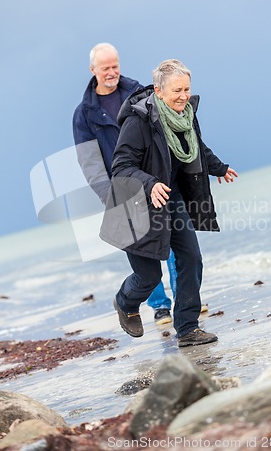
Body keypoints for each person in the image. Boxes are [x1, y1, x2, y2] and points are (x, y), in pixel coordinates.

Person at [100, 59, 238, 347]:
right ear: (159, 92)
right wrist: (149, 184)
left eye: (186, 89)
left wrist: (220, 167)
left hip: (170, 199)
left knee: (191, 258)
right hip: (135, 204)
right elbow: (121, 167)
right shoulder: (139, 121)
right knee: (148, 276)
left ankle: (187, 328)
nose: (183, 95)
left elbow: (196, 148)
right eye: (177, 90)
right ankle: (125, 302)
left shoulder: (185, 115)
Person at [72, 43, 176, 324]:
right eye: (105, 68)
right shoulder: (84, 114)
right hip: (123, 193)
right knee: (145, 251)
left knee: (174, 242)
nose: (112, 72)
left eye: (115, 66)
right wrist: (111, 197)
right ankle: (160, 307)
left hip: (156, 181)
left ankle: (183, 298)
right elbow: (90, 163)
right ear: (93, 70)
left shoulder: (138, 92)